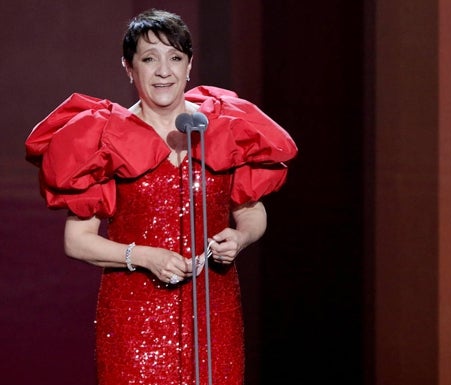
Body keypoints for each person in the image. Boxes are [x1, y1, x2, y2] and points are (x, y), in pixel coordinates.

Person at [25, 9, 297, 385]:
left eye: (175, 58)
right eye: (149, 59)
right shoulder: (104, 138)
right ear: (129, 68)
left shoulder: (224, 128)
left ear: (189, 66)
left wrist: (240, 237)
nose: (164, 71)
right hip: (135, 316)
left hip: (213, 312)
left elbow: (252, 213)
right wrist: (143, 256)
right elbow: (77, 241)